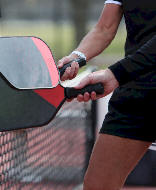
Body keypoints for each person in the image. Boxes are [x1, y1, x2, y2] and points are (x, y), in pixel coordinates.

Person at [57, 0, 156, 189]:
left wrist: (116, 73)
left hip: (125, 74)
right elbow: (104, 28)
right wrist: (77, 57)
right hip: (134, 90)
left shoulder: (120, 72)